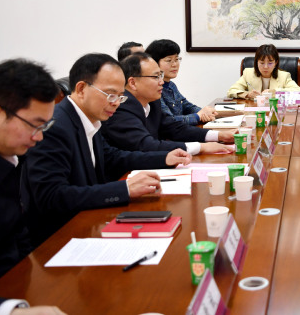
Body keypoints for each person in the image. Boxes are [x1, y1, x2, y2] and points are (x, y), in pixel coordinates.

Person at [22, 53, 193, 245]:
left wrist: (164, 158)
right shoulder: (54, 127)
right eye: (110, 95)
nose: (116, 103)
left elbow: (112, 157)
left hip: (91, 221)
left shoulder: (89, 118)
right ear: (81, 89)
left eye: (120, 96)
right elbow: (52, 196)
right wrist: (125, 188)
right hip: (61, 238)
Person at [0, 59, 66, 315]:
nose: (39, 137)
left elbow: (18, 236)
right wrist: (10, 310)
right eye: (34, 125)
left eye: (45, 126)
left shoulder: (7, 153)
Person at [102, 52, 235, 153]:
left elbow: (174, 128)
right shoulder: (121, 107)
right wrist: (201, 147)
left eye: (160, 75)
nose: (161, 82)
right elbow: (146, 145)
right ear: (132, 83)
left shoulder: (152, 102)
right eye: (156, 77)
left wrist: (219, 135)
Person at [145, 39, 216, 125]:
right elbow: (169, 120)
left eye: (176, 59)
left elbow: (186, 106)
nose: (174, 64)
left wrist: (205, 113)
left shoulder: (171, 85)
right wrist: (198, 116)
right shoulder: (153, 88)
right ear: (154, 62)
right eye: (169, 60)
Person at [227, 44, 300, 99]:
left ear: (276, 63)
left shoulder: (284, 76)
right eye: (262, 63)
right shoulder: (248, 73)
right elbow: (231, 91)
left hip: (275, 110)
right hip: (254, 111)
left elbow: (298, 92)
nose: (265, 67)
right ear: (257, 62)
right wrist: (248, 94)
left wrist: (274, 92)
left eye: (270, 63)